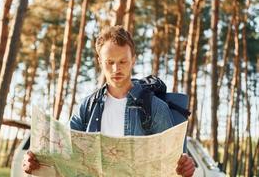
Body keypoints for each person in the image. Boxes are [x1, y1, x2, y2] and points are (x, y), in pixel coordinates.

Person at [23, 26, 195, 176]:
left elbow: (175, 162)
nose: (116, 69)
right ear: (100, 62)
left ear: (133, 60)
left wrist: (185, 166)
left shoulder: (154, 107)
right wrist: (33, 160)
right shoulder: (87, 107)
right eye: (109, 62)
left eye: (123, 61)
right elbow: (64, 155)